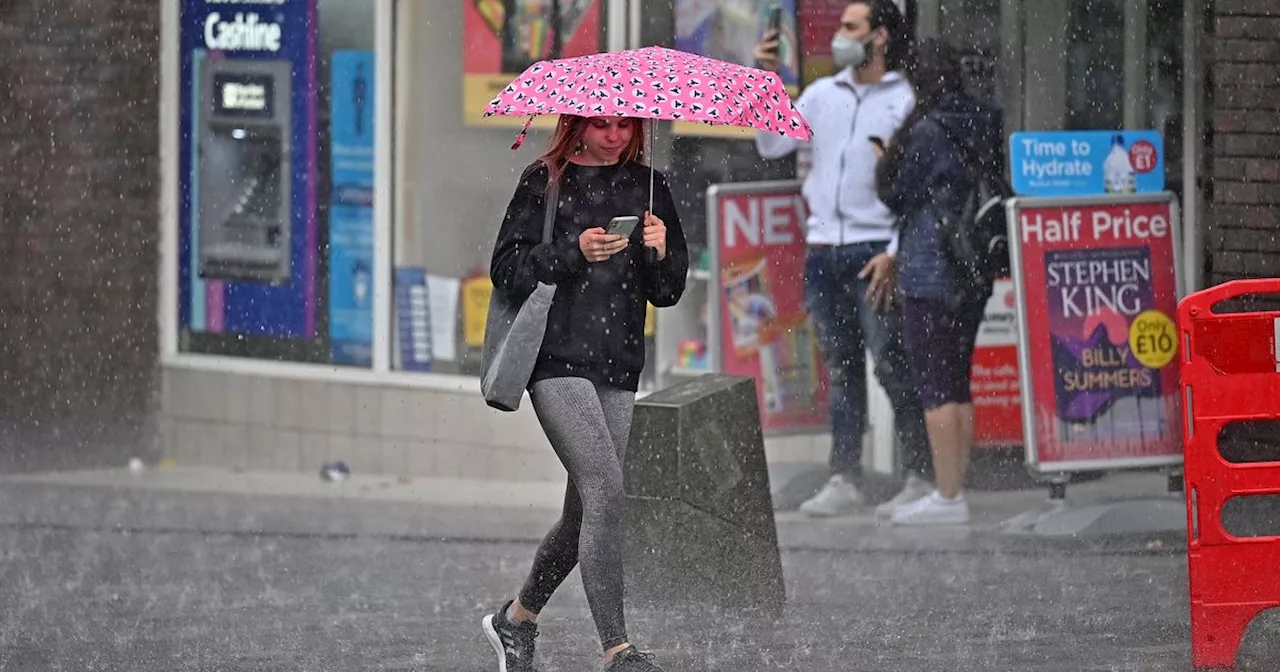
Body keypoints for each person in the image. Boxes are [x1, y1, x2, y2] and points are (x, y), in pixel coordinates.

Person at [482, 114, 688, 672]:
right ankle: (617, 649)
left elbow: (667, 293)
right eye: (602, 125)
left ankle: (516, 620)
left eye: (625, 125)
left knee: (584, 514)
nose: (615, 136)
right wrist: (575, 252)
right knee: (605, 484)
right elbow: (505, 269)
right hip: (555, 360)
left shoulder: (651, 186)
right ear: (577, 124)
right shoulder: (543, 180)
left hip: (618, 364)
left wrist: (662, 250)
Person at [753, 0, 932, 517]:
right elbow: (770, 144)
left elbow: (916, 189)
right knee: (841, 367)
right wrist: (766, 83)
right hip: (825, 249)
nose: (840, 36)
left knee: (893, 366)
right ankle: (845, 476)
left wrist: (896, 253)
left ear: (879, 36)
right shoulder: (819, 95)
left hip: (877, 252)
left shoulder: (904, 100)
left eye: (851, 27)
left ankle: (921, 474)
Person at [874, 38, 1003, 525]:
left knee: (935, 385)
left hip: (931, 268)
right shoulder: (984, 118)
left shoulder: (926, 130)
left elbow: (898, 195)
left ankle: (948, 497)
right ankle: (956, 488)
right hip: (973, 267)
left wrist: (887, 157)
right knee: (959, 381)